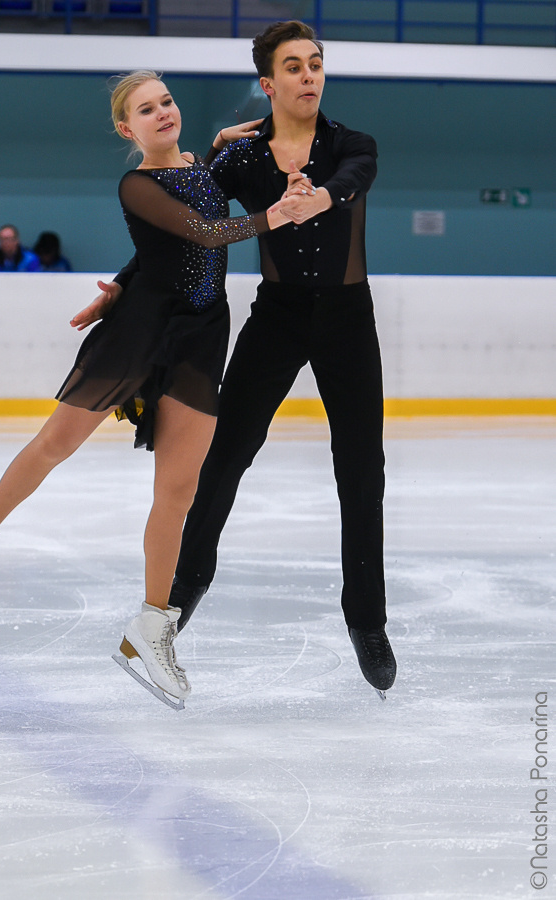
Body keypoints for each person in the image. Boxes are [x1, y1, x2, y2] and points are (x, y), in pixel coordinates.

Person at [0, 71, 294, 707]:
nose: (163, 113)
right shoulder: (136, 183)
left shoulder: (204, 167)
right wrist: (273, 215)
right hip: (140, 330)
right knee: (53, 444)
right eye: (146, 110)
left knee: (178, 488)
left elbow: (183, 221)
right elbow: (198, 233)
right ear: (128, 129)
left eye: (167, 102)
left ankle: (151, 625)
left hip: (201, 337)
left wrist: (223, 147)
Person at [118, 21, 397, 697]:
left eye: (315, 64)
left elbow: (354, 178)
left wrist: (318, 197)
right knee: (225, 456)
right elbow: (181, 228)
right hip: (275, 318)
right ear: (268, 84)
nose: (308, 76)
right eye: (293, 67)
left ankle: (366, 620)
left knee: (360, 467)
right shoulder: (238, 161)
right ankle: (178, 599)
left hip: (345, 319)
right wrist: (123, 287)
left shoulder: (351, 147)